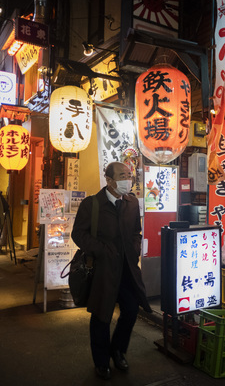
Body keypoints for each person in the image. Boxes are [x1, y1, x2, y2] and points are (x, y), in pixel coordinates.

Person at [71, 162, 152, 380]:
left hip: (127, 269)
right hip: (102, 270)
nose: (128, 179)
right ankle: (101, 361)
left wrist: (134, 247)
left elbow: (136, 231)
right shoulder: (92, 204)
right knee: (101, 315)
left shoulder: (132, 202)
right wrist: (101, 250)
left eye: (129, 175)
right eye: (122, 175)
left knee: (131, 310)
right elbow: (78, 234)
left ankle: (117, 350)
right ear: (109, 180)